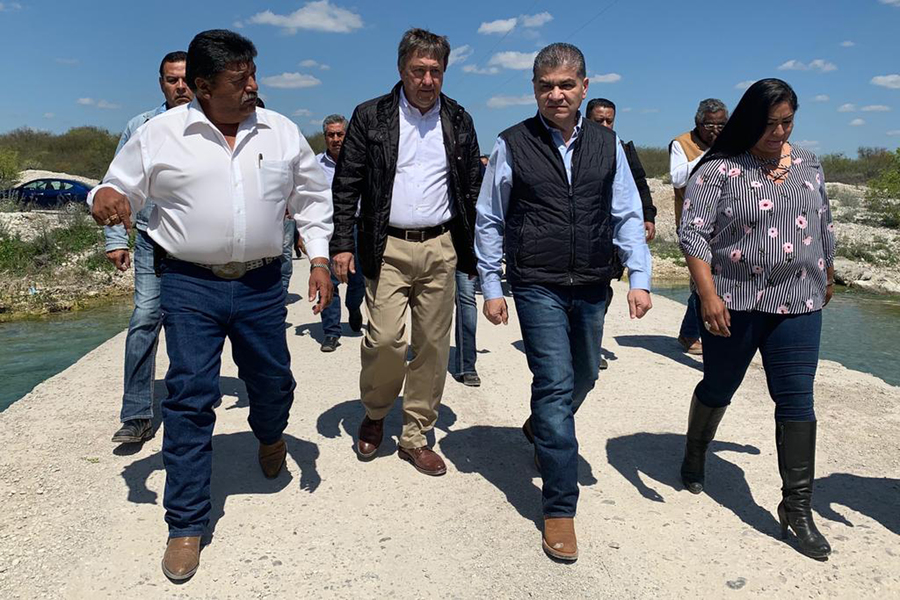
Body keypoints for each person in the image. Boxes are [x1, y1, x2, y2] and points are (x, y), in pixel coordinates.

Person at [89, 29, 334, 581]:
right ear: (202, 86)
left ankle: (270, 433)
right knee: (189, 395)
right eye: (239, 78)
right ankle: (186, 523)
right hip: (188, 283)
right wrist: (104, 197)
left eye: (253, 74)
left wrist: (318, 258)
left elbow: (312, 199)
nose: (253, 86)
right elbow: (117, 186)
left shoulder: (281, 131)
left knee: (272, 382)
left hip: (262, 283)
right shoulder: (160, 134)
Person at [476, 43, 652, 562]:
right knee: (553, 384)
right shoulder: (513, 142)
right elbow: (490, 217)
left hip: (593, 280)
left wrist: (639, 276)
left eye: (566, 85)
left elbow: (625, 212)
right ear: (534, 89)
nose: (556, 94)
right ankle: (559, 507)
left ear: (584, 87)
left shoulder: (607, 143)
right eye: (546, 86)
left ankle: (541, 427)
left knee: (585, 375)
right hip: (537, 282)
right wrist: (492, 286)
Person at [678, 78, 835, 561]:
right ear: (749, 121)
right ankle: (696, 450)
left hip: (799, 300)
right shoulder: (719, 168)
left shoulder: (808, 163)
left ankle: (797, 507)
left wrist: (829, 272)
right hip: (735, 300)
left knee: (797, 399)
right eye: (770, 124)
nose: (779, 132)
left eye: (787, 122)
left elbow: (823, 222)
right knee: (719, 385)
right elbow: (694, 234)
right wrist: (708, 295)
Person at [331, 28, 482, 476]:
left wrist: (477, 248)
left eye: (436, 71)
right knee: (385, 340)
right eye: (419, 70)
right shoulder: (371, 116)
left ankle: (416, 434)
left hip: (440, 245)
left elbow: (472, 187)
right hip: (386, 244)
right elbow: (347, 182)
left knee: (433, 345)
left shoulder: (459, 119)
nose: (427, 80)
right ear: (401, 69)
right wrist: (342, 243)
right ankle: (376, 411)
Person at [105, 51, 192, 445]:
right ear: (161, 84)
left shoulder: (214, 125)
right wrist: (115, 239)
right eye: (172, 80)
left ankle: (189, 405)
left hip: (195, 248)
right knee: (144, 319)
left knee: (190, 327)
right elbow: (116, 185)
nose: (180, 87)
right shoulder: (140, 127)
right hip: (151, 242)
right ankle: (137, 414)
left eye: (186, 79)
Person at [586, 97, 657, 370]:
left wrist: (648, 216)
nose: (605, 125)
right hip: (585, 234)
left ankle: (590, 346)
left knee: (602, 291)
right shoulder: (577, 150)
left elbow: (639, 184)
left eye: (609, 121)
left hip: (613, 236)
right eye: (599, 121)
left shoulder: (622, 149)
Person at [670, 98, 728, 355]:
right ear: (698, 123)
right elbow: (677, 178)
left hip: (723, 225)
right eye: (710, 125)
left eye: (721, 125)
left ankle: (693, 332)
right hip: (693, 225)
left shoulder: (731, 143)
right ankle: (691, 333)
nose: (715, 130)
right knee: (701, 281)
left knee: (715, 280)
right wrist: (711, 154)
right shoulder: (681, 144)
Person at [316, 114, 365, 352]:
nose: (336, 139)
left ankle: (354, 307)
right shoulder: (315, 165)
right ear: (325, 137)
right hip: (327, 227)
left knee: (358, 279)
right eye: (331, 135)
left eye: (340, 134)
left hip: (357, 227)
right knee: (327, 279)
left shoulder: (362, 162)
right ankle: (331, 332)